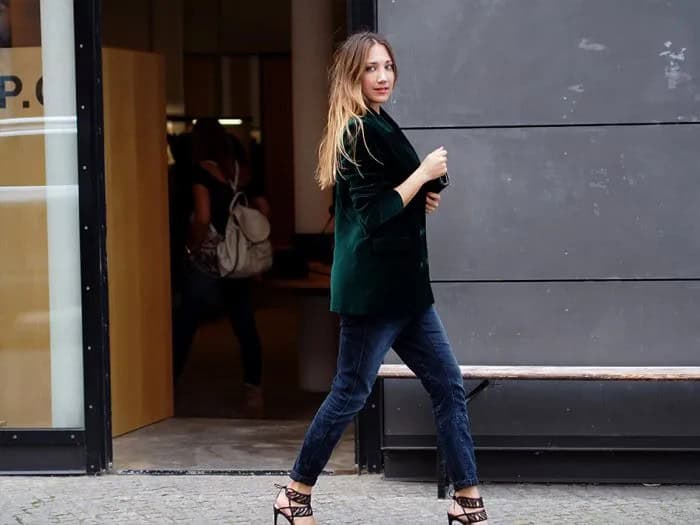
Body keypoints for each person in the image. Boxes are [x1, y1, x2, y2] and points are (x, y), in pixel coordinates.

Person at [272, 32, 488, 524]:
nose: (383, 75)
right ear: (353, 75)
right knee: (350, 392)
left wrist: (424, 189)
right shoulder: (358, 129)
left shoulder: (376, 122)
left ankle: (467, 500)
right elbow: (374, 213)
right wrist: (423, 175)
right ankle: (295, 492)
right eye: (371, 68)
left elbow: (394, 193)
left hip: (405, 291)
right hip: (374, 293)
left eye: (387, 65)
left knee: (448, 385)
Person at [172, 117, 267, 418]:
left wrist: (190, 247)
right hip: (237, 261)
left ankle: (167, 387)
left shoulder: (201, 173)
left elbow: (202, 216)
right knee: (245, 327)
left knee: (185, 323)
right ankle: (254, 392)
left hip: (211, 261)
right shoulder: (241, 172)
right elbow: (264, 210)